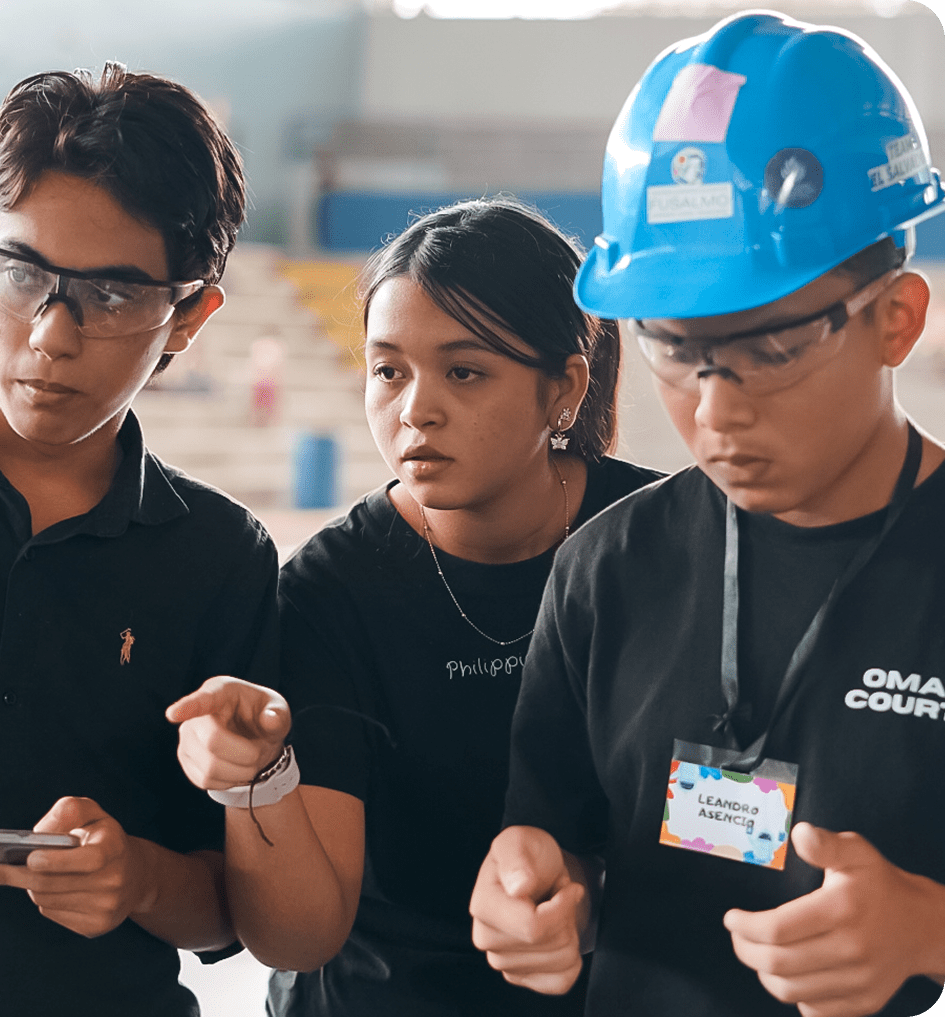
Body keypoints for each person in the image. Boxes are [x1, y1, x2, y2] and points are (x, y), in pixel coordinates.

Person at [469, 11, 945, 1017]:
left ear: (895, 317)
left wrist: (929, 933)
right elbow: (552, 824)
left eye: (769, 347)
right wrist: (531, 885)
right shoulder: (607, 565)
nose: (714, 409)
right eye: (674, 350)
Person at [167, 198, 661, 1016]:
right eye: (388, 370)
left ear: (562, 390)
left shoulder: (659, 547)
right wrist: (259, 782)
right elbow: (299, 937)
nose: (414, 409)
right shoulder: (330, 591)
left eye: (463, 371)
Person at [0, 62, 278, 1017]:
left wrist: (140, 880)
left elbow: (233, 906)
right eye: (22, 273)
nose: (51, 335)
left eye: (110, 296)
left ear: (188, 317)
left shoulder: (222, 557)